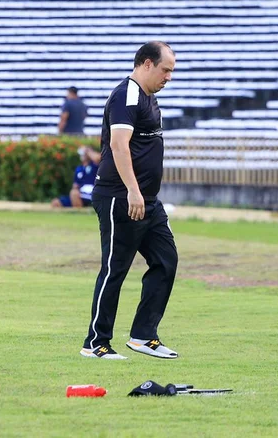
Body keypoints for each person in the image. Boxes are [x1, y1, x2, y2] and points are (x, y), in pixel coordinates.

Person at [82, 41, 180, 359]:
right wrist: (133, 191)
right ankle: (96, 343)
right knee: (115, 269)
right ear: (147, 64)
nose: (169, 77)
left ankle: (143, 335)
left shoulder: (150, 99)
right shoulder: (127, 95)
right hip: (120, 198)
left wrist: (144, 194)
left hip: (148, 201)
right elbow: (120, 146)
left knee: (166, 261)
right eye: (165, 70)